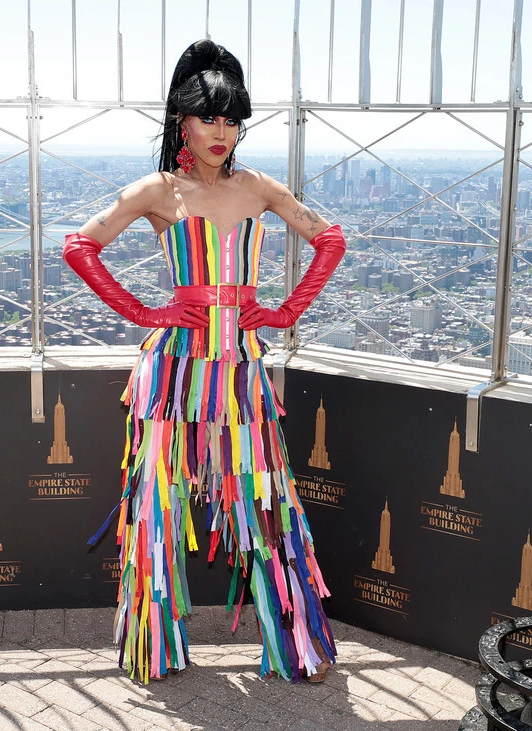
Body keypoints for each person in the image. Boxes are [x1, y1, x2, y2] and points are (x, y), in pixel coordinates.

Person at [63, 40, 345, 685]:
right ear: (181, 122)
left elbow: (330, 239)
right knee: (158, 506)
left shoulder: (259, 187)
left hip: (241, 373)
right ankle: (154, 648)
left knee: (263, 501)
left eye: (232, 120)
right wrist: (145, 313)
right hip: (173, 374)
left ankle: (296, 646)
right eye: (208, 118)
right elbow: (79, 246)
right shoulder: (158, 190)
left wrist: (285, 312)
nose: (222, 133)